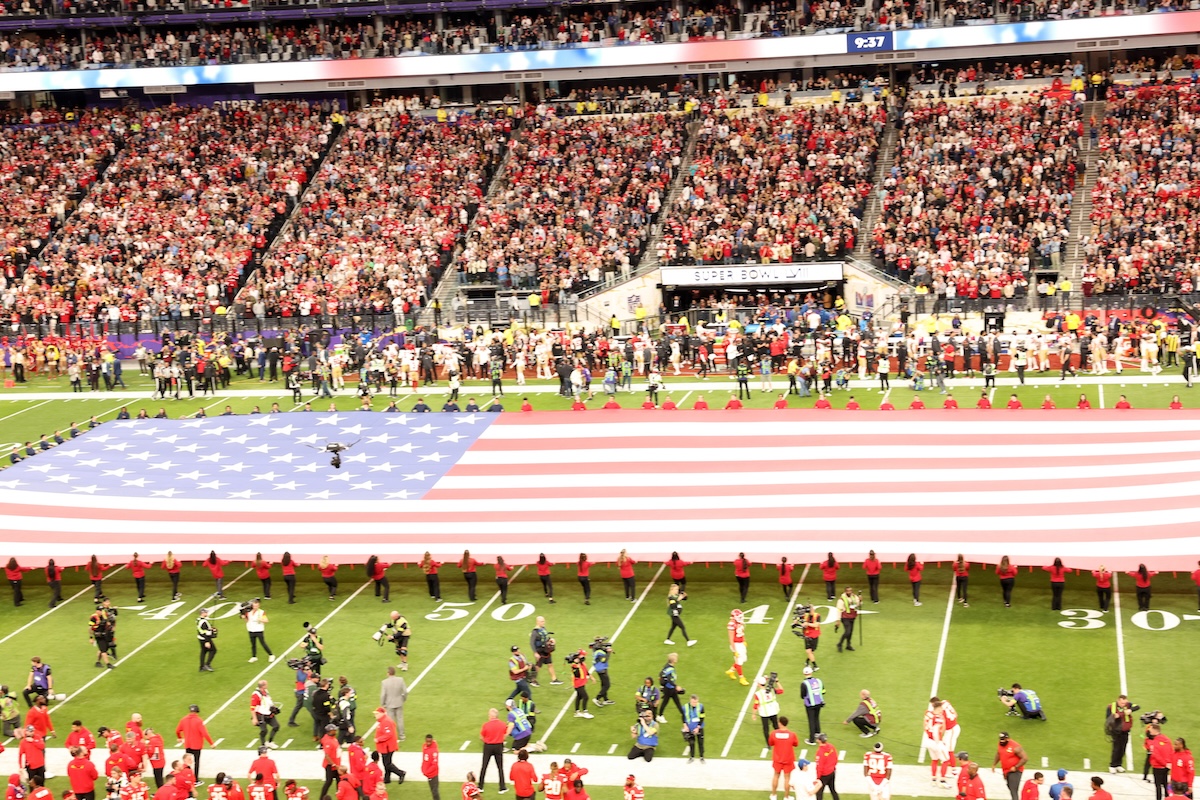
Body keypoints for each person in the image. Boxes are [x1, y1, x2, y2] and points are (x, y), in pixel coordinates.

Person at [176, 705, 213, 779]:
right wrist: (211, 743)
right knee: (196, 762)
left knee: (187, 762)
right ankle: (196, 779)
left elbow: (177, 731)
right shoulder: (198, 721)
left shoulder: (183, 719)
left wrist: (180, 737)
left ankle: (187, 776)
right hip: (196, 745)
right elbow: (204, 733)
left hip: (187, 744)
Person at [769, 716, 800, 800]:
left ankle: (774, 795)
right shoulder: (792, 734)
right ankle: (786, 797)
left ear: (780, 723)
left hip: (777, 759)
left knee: (776, 776)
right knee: (787, 778)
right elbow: (796, 744)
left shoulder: (774, 733)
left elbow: (770, 743)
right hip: (788, 759)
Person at [372, 707, 404, 784]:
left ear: (382, 713)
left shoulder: (386, 722)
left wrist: (378, 739)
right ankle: (387, 778)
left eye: (377, 714)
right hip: (385, 747)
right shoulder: (383, 721)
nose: (375, 715)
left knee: (387, 764)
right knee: (387, 763)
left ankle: (401, 773)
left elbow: (389, 734)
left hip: (387, 747)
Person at [1105, 696, 1135, 774]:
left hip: (1125, 731)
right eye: (1122, 703)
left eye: (1125, 703)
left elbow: (1137, 706)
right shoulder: (1111, 707)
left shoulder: (1128, 705)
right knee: (1116, 748)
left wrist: (1130, 710)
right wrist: (1115, 716)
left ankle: (1119, 764)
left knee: (1123, 748)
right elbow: (1108, 718)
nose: (1123, 704)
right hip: (1116, 731)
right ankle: (1112, 765)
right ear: (1118, 701)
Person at [479, 709, 507, 793]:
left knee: (484, 766)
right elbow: (505, 733)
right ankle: (502, 787)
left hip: (488, 746)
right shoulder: (502, 724)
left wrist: (487, 741)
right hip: (498, 746)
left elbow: (481, 736)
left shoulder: (486, 725)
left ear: (491, 716)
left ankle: (480, 786)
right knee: (500, 767)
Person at [995, 732, 1029, 800]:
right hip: (1006, 770)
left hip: (1015, 771)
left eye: (1003, 739)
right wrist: (994, 764)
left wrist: (1016, 767)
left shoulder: (1015, 747)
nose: (1001, 741)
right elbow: (999, 753)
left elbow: (1025, 758)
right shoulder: (1000, 744)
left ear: (1007, 739)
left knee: (1013, 790)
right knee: (1010, 787)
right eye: (1000, 739)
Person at [753, 674, 784, 746]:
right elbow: (781, 690)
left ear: (758, 684)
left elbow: (755, 705)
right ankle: (780, 739)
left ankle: (768, 744)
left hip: (764, 713)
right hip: (773, 711)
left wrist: (754, 714)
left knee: (766, 729)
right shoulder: (772, 689)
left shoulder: (758, 694)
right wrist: (777, 682)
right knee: (776, 726)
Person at [529, 616, 560, 687]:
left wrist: (551, 639)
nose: (544, 622)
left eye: (544, 621)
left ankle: (554, 679)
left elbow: (545, 637)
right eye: (542, 621)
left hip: (546, 650)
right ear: (537, 622)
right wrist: (535, 653)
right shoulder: (535, 632)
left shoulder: (543, 629)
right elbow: (531, 643)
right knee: (538, 666)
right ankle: (533, 680)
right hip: (540, 651)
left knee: (550, 664)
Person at [926, 700, 951, 785]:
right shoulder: (938, 718)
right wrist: (938, 742)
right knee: (946, 760)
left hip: (928, 740)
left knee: (934, 759)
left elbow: (925, 726)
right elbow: (936, 730)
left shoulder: (928, 714)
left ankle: (933, 780)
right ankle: (942, 781)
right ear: (939, 708)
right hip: (935, 741)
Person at [89, 596, 118, 669]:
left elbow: (110, 621)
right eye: (100, 610)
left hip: (104, 634)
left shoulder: (104, 616)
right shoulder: (93, 617)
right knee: (104, 650)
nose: (101, 611)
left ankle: (97, 662)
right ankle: (108, 664)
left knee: (102, 649)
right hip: (98, 635)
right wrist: (91, 638)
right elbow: (90, 628)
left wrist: (111, 628)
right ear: (97, 611)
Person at [1147, 724, 1173, 800]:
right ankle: (1167, 798)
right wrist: (1168, 763)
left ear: (1155, 731)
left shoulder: (1154, 742)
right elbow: (1171, 752)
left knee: (1158, 785)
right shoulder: (1167, 740)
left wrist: (1164, 763)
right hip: (1166, 766)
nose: (1149, 731)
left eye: (1151, 730)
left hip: (1158, 766)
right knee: (1165, 783)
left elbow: (1156, 755)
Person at [250, 682, 279, 749]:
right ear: (263, 686)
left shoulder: (265, 691)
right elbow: (252, 707)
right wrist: (254, 718)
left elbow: (269, 700)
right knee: (264, 730)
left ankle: (270, 742)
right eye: (266, 684)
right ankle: (263, 745)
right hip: (261, 715)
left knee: (276, 726)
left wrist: (273, 707)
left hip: (268, 713)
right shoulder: (256, 695)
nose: (267, 685)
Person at [801, 666, 825, 745]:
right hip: (819, 703)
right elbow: (823, 691)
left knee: (811, 721)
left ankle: (811, 740)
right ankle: (818, 734)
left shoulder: (804, 683)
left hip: (810, 704)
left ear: (804, 673)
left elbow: (802, 695)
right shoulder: (818, 681)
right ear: (811, 672)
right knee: (816, 718)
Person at [569, 651, 595, 720]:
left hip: (582, 683)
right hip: (578, 684)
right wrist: (578, 666)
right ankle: (585, 712)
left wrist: (591, 677)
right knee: (585, 697)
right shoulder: (574, 666)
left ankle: (577, 712)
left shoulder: (582, 664)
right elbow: (577, 675)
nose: (583, 657)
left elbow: (586, 671)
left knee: (579, 697)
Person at [724, 607, 747, 684]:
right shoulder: (731, 625)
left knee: (743, 659)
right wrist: (734, 650)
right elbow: (731, 639)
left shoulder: (739, 623)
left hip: (740, 643)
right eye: (739, 617)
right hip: (736, 644)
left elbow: (742, 632)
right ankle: (741, 678)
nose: (741, 618)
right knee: (739, 662)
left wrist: (744, 640)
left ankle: (731, 670)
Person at [835, 587, 861, 652]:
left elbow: (857, 605)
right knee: (847, 631)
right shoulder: (841, 600)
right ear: (845, 591)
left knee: (850, 632)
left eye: (850, 591)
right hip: (845, 617)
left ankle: (848, 645)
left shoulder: (854, 597)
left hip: (852, 616)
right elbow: (839, 610)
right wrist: (838, 620)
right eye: (848, 591)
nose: (849, 592)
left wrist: (860, 600)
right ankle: (839, 644)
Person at [815, 733, 839, 800]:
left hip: (824, 775)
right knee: (833, 790)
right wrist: (832, 767)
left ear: (819, 741)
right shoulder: (831, 746)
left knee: (819, 792)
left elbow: (819, 766)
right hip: (832, 772)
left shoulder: (820, 752)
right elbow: (836, 758)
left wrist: (818, 777)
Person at [683, 694, 705, 763]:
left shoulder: (701, 706)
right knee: (691, 743)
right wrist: (685, 725)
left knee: (700, 742)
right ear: (690, 701)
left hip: (699, 727)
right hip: (690, 727)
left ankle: (701, 757)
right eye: (693, 702)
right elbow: (683, 716)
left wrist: (698, 727)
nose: (695, 704)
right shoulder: (685, 707)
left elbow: (702, 717)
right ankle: (691, 757)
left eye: (696, 702)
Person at [420, 734, 439, 800]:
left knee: (435, 791)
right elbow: (424, 759)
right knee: (432, 790)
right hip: (428, 774)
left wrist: (427, 772)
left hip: (433, 774)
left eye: (429, 742)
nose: (428, 743)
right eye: (427, 741)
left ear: (432, 741)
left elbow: (434, 764)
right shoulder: (424, 746)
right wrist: (423, 768)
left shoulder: (434, 751)